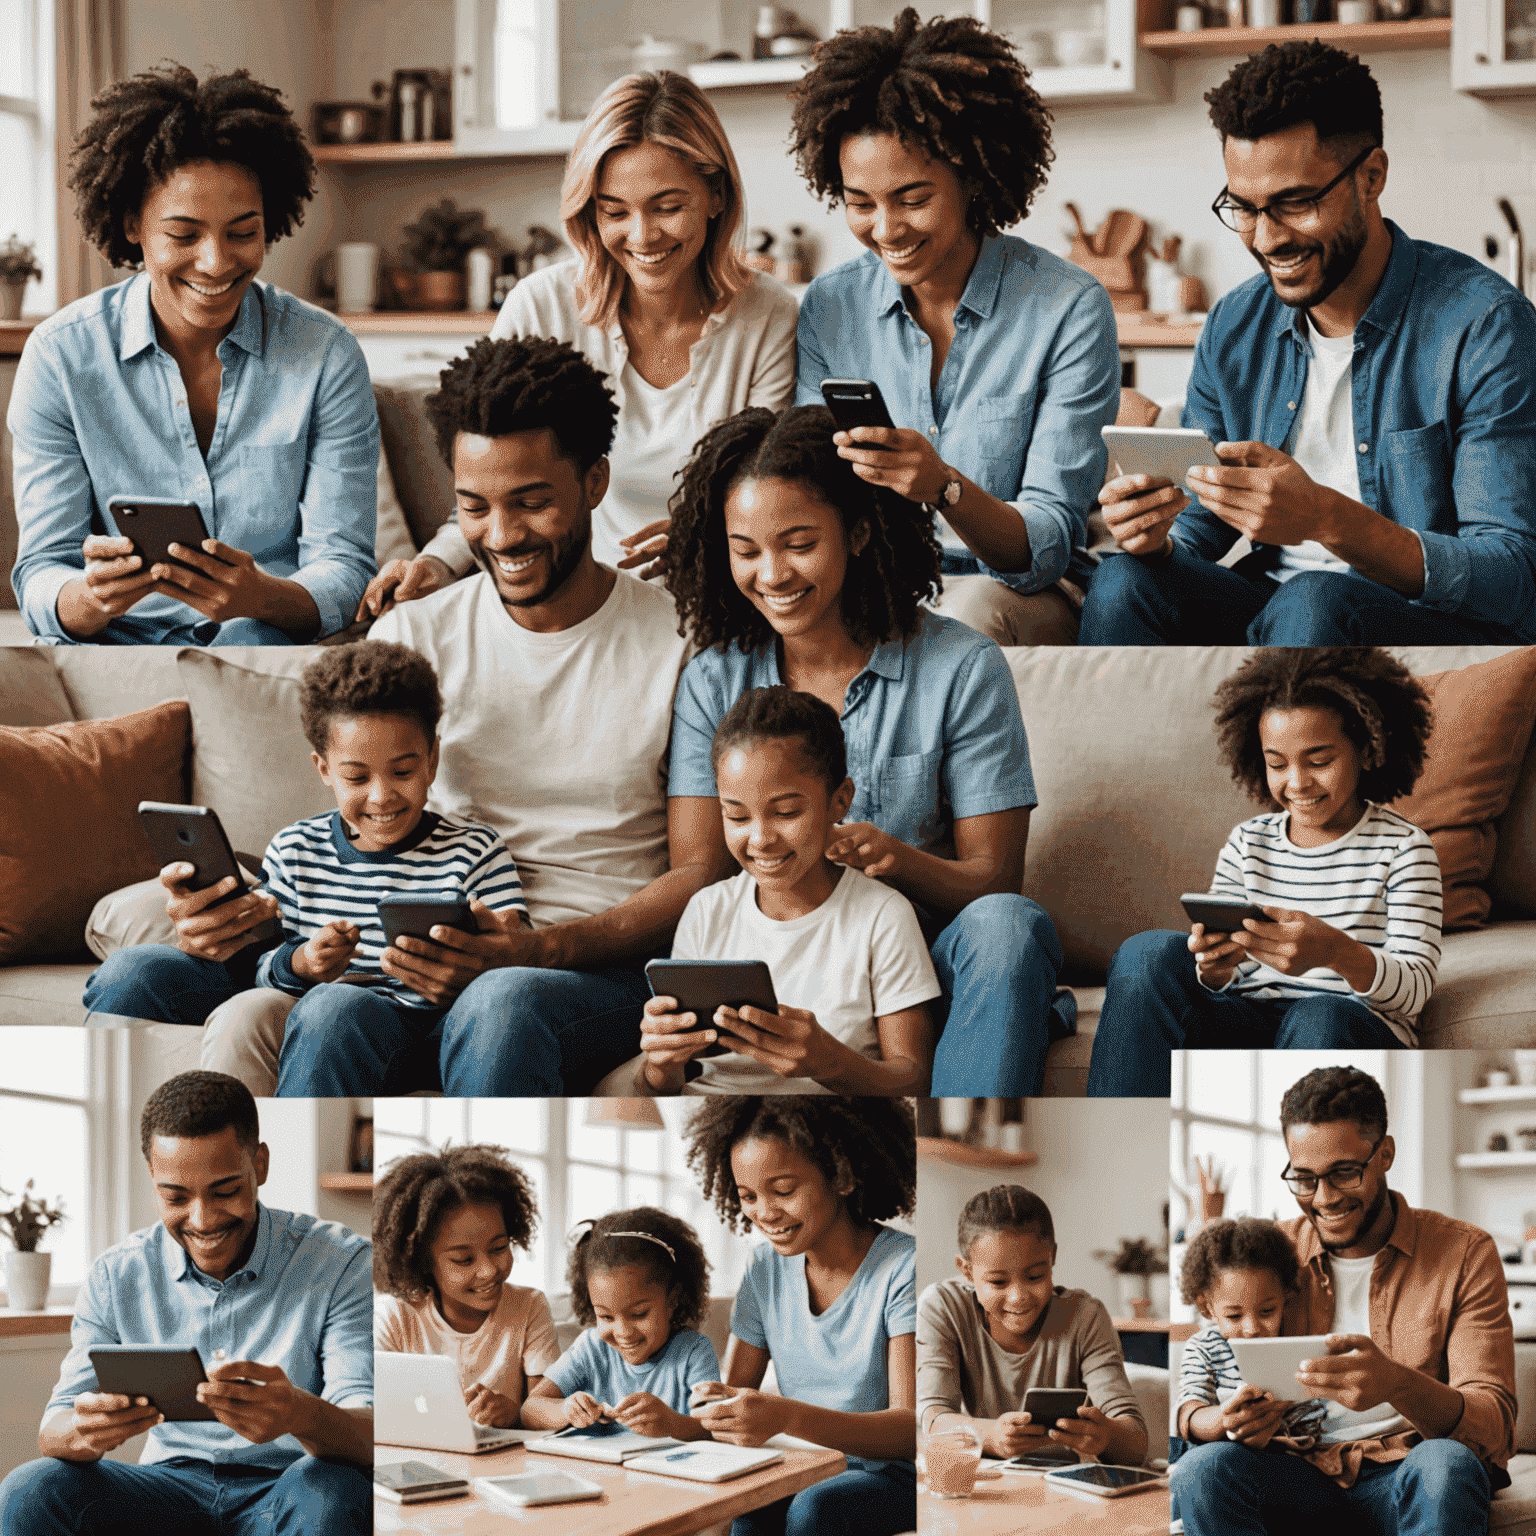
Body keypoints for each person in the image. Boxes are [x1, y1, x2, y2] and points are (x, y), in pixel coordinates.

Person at [183, 334, 721, 1095]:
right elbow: (357, 826)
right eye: (474, 507)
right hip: (415, 968)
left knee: (501, 1000)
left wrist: (540, 948)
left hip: (594, 968)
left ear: (594, 482)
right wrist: (247, 909)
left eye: (532, 503)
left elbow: (702, 872)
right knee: (318, 1008)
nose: (500, 537)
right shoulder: (416, 634)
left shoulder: (682, 642)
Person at [663, 404, 1070, 1097]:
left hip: (933, 963)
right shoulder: (713, 677)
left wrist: (896, 859)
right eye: (746, 549)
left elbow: (994, 882)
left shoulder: (962, 667)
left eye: (798, 544)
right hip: (791, 961)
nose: (773, 574)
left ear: (856, 532)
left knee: (1010, 926)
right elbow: (707, 879)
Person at [1081, 41, 1536, 646]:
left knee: (1313, 604)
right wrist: (1153, 532)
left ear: (1371, 177)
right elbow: (1202, 534)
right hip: (1278, 606)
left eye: (1295, 203)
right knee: (1122, 583)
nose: (1267, 239)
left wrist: (1326, 518)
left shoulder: (1485, 326)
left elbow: (1512, 576)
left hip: (1421, 626)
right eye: (1243, 208)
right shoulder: (1235, 325)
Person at [359, 68, 797, 614]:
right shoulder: (541, 305)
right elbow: (493, 485)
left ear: (714, 194)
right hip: (567, 602)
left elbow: (770, 495)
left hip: (716, 600)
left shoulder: (768, 315)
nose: (642, 237)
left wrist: (704, 541)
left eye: (667, 207)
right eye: (615, 211)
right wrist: (436, 564)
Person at [9, 64, 377, 645]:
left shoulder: (326, 356)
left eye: (242, 232)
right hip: (111, 655)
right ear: (133, 224)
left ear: (271, 222)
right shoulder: (60, 357)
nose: (216, 262)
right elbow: (40, 572)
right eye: (183, 235)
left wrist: (262, 596)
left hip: (260, 654)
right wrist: (89, 596)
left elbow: (345, 567)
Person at [786, 8, 1120, 645]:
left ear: (974, 178)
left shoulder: (1067, 307)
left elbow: (1045, 549)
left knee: (963, 625)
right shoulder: (832, 305)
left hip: (1019, 590)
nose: (886, 230)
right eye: (861, 204)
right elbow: (812, 487)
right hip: (881, 583)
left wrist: (944, 487)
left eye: (913, 198)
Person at [81, 642, 531, 1097]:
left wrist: (488, 946)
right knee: (128, 972)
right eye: (357, 777)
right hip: (304, 1006)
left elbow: (511, 950)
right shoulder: (296, 847)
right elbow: (261, 966)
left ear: (431, 760)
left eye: (402, 772)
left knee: (333, 1005)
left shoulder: (475, 849)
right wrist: (303, 961)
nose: (381, 796)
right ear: (324, 770)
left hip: (417, 1028)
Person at [0, 1071, 371, 1536]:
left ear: (260, 1164)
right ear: (154, 1180)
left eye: (225, 1191)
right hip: (165, 1486)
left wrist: (301, 1413)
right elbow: (52, 1429)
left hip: (289, 1485)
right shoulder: (117, 1274)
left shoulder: (341, 1262)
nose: (202, 1220)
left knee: (334, 1488)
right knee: (30, 1490)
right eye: (175, 1197)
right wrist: (85, 1430)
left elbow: (372, 1434)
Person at [1173, 1065, 1517, 1536]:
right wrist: (1229, 1421)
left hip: (1406, 1469)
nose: (1324, 1198)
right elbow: (1212, 1354)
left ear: (1386, 1154)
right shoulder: (1271, 1252)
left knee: (1446, 1464)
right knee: (1202, 1470)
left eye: (1344, 1173)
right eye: (1304, 1178)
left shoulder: (1464, 1253)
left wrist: (1397, 1383)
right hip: (1296, 1473)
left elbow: (1493, 1425)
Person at [1087, 648, 1441, 1098]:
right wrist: (1214, 968)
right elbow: (1225, 980)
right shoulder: (1248, 841)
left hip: (1345, 1028)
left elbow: (1415, 990)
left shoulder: (1405, 849)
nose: (1296, 783)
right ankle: (1127, 1144)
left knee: (1318, 1016)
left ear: (1368, 750)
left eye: (1319, 761)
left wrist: (1335, 951)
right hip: (1247, 1019)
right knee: (1146, 953)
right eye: (1277, 763)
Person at [633, 686, 939, 1096]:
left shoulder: (883, 916)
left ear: (839, 801)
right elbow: (671, 1083)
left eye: (786, 812)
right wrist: (660, 1064)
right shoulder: (707, 910)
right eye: (737, 815)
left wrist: (829, 1062)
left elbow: (914, 1080)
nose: (760, 839)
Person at [684, 1097, 917, 1536]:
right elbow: (733, 1396)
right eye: (748, 1196)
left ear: (842, 1176)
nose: (765, 1213)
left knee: (817, 1509)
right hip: (803, 1464)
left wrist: (785, 1416)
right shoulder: (763, 1269)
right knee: (750, 1509)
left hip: (892, 1474)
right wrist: (712, 1406)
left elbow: (909, 1429)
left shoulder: (904, 1267)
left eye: (784, 1190)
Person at [917, 1184, 1148, 1467]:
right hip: (989, 1484)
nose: (1018, 1297)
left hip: (1062, 1486)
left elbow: (1136, 1443)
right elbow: (932, 1420)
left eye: (1036, 1276)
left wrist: (1106, 1436)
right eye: (998, 1282)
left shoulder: (1085, 1317)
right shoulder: (943, 1306)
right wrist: (991, 1436)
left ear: (1052, 1258)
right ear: (966, 1270)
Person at [373, 1144, 559, 1430]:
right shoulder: (395, 1316)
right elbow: (374, 1415)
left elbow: (547, 1414)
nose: (488, 1270)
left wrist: (513, 1414)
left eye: (498, 1247)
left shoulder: (529, 1307)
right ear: (423, 1260)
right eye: (463, 1260)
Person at [522, 1209, 719, 1440]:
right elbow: (530, 1410)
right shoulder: (590, 1348)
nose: (623, 1333)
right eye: (606, 1317)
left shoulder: (694, 1352)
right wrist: (565, 1409)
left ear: (672, 1300)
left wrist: (671, 1423)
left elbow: (716, 1427)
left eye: (639, 1314)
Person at [1174, 1217, 1328, 1459]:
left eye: (1267, 1311)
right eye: (1234, 1316)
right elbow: (1190, 1415)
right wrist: (1224, 1418)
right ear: (1207, 1308)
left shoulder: (1297, 1343)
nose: (1252, 1328)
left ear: (1285, 1297)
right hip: (1233, 1458)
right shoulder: (1205, 1347)